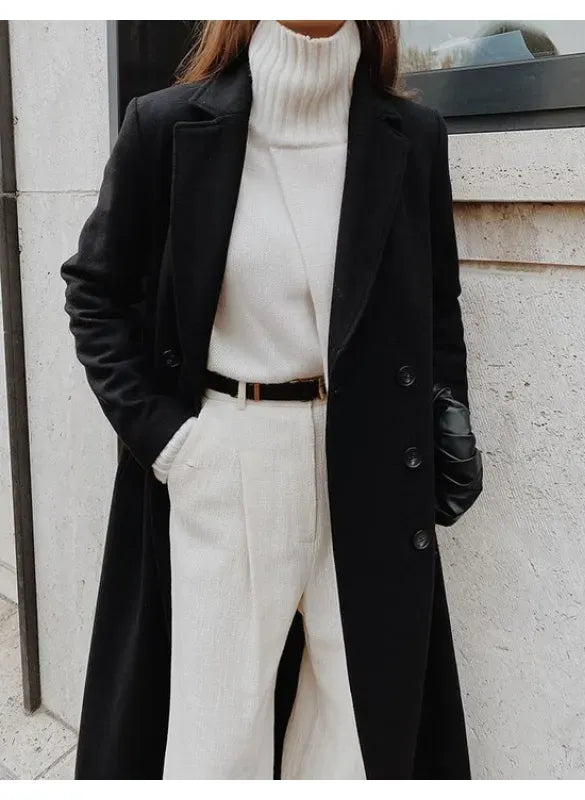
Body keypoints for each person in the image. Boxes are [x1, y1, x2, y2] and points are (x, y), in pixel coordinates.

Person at [60, 19, 479, 780]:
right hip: (228, 456)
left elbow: (436, 308)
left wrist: (450, 419)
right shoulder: (166, 124)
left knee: (358, 740)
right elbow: (95, 294)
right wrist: (171, 443)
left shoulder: (412, 135)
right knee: (215, 744)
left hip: (371, 460)